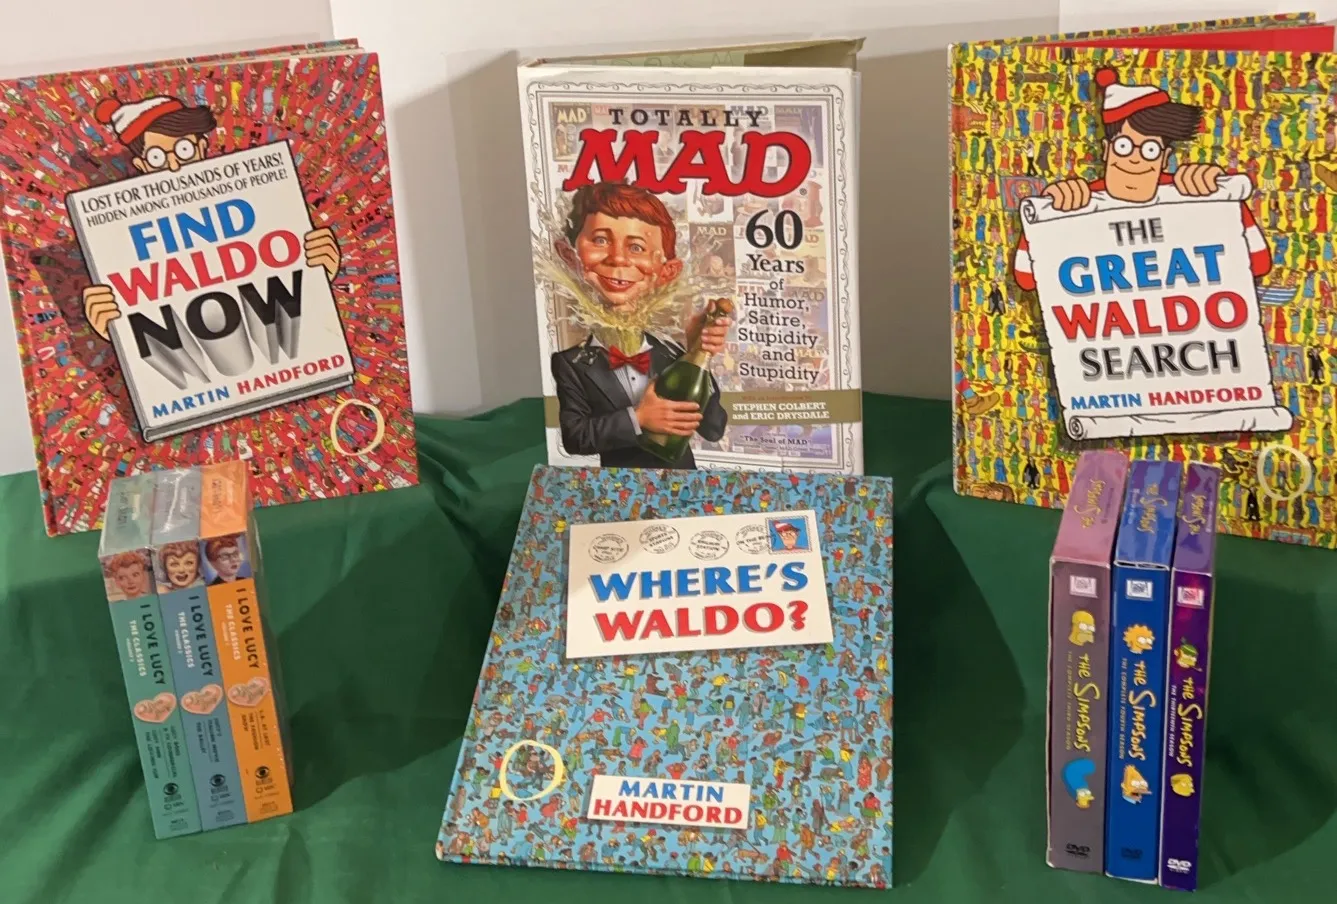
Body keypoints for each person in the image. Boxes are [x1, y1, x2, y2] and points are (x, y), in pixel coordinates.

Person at [80, 94, 342, 340]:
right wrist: (117, 333)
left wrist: (318, 278)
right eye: (157, 157)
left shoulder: (260, 202)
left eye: (184, 149)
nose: (174, 166)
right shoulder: (123, 242)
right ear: (142, 166)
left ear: (202, 146)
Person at [1013, 67, 1271, 291]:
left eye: (1150, 149)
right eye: (1124, 146)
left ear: (1164, 157)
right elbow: (1026, 277)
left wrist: (1221, 201)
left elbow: (1257, 261)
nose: (1135, 159)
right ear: (1106, 150)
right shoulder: (1081, 201)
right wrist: (1050, 216)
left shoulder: (1186, 192)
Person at [549, 181, 730, 468]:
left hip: (683, 483)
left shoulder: (672, 354)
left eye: (636, 247)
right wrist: (638, 418)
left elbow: (714, 429)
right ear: (569, 255)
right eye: (600, 240)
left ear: (667, 271)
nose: (618, 258)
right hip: (620, 488)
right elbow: (575, 437)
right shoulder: (571, 363)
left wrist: (697, 352)